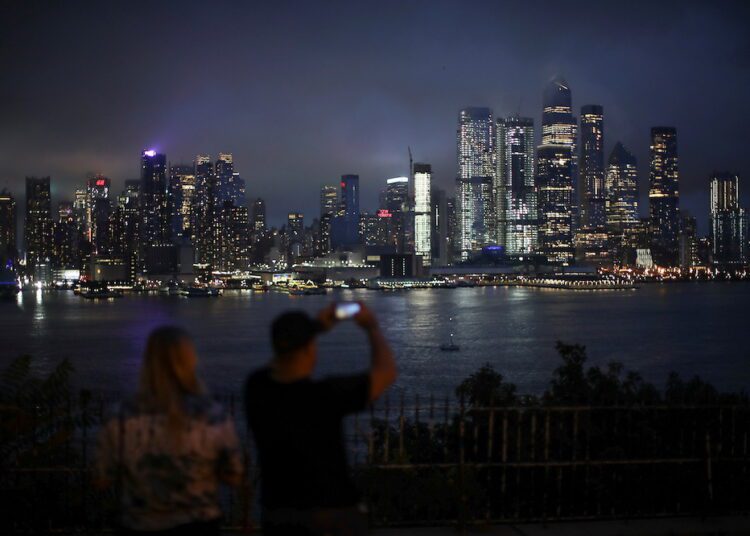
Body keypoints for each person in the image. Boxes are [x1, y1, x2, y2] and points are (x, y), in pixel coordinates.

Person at [244, 302, 396, 535]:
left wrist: (311, 330)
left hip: (279, 512)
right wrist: (372, 328)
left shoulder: (256, 389)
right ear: (309, 349)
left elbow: (275, 364)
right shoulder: (325, 395)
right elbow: (386, 372)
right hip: (334, 512)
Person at [94, 326, 243, 535]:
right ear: (191, 361)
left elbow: (101, 479)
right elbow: (234, 475)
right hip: (199, 523)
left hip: (139, 523)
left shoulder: (120, 416)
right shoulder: (212, 415)